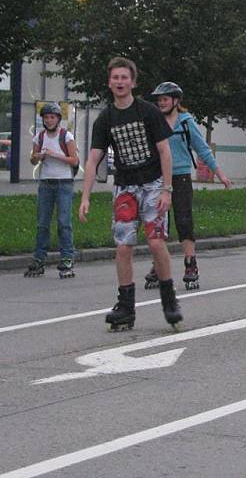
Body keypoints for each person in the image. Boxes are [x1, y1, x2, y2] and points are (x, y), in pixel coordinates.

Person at [79, 57, 183, 331]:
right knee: (123, 247)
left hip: (152, 184)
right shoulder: (106, 119)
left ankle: (169, 299)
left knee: (156, 242)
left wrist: (167, 189)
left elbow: (164, 151)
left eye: (125, 77)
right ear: (109, 82)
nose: (120, 82)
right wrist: (85, 197)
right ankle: (125, 306)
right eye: (115, 78)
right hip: (125, 188)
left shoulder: (148, 111)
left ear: (133, 82)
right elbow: (93, 159)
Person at [142, 81, 233, 291]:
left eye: (165, 99)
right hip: (159, 179)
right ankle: (158, 266)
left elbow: (202, 149)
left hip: (181, 177)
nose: (161, 103)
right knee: (158, 224)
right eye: (159, 100)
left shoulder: (185, 121)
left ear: (176, 101)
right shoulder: (155, 122)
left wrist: (220, 174)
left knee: (184, 222)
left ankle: (190, 264)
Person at [24, 103, 79, 279]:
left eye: (52, 117)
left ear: (58, 119)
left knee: (64, 222)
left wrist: (54, 155)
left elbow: (74, 160)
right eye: (46, 118)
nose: (49, 120)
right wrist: (36, 157)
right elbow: (33, 160)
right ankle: (39, 258)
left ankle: (67, 258)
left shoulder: (66, 136)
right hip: (46, 183)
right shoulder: (39, 137)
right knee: (42, 223)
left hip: (64, 183)